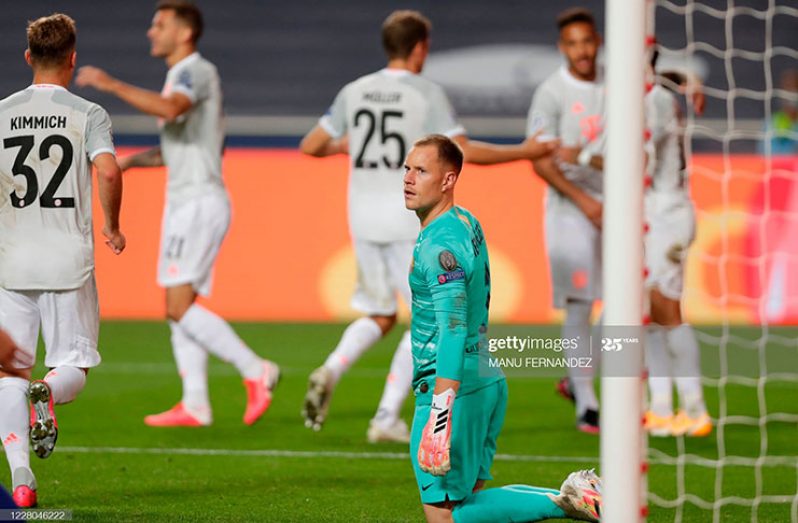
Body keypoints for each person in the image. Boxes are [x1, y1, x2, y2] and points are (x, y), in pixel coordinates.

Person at [300, 9, 554, 442]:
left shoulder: (355, 90)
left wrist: (354, 146)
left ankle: (332, 368)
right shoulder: (425, 93)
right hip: (407, 217)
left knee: (380, 313)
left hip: (361, 215)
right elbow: (464, 151)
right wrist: (525, 151)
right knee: (428, 315)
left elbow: (311, 145)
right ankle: (384, 417)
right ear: (420, 48)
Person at [76, 0, 279, 427]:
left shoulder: (193, 71)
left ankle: (255, 369)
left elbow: (171, 109)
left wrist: (110, 85)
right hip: (186, 200)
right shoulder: (181, 75)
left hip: (199, 201)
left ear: (184, 32)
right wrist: (129, 162)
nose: (151, 31)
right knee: (175, 300)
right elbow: (175, 149)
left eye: (160, 24)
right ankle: (195, 403)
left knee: (178, 305)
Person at [403, 134, 601, 523]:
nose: (408, 178)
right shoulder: (465, 221)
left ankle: (567, 500)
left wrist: (439, 419)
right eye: (407, 168)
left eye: (421, 170)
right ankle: (566, 496)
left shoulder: (438, 248)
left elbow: (453, 329)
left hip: (453, 393)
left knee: (447, 516)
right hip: (486, 380)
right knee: (472, 506)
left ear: (448, 180)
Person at [0, 13, 125, 508]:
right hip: (66, 262)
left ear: (28, 58)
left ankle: (22, 479)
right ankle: (48, 395)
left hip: (11, 264)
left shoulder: (2, 112)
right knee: (71, 364)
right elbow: (110, 171)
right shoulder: (87, 113)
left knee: (8, 374)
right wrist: (112, 226)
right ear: (73, 59)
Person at [527, 7, 604, 433]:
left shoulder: (616, 83)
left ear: (598, 42)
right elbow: (539, 160)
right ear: (563, 48)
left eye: (587, 42)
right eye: (573, 44)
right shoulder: (551, 92)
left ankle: (579, 377)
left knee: (630, 300)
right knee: (579, 303)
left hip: (616, 203)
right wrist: (583, 200)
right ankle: (587, 403)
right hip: (569, 209)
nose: (581, 51)